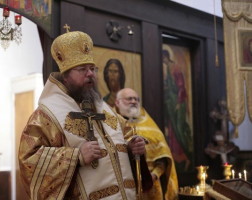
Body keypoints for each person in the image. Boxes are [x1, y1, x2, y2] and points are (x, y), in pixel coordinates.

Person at [18, 30, 147, 200]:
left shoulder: (102, 107)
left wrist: (132, 146)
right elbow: (29, 161)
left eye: (92, 69)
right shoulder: (46, 115)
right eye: (82, 69)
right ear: (65, 77)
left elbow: (125, 134)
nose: (90, 74)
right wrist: (75, 156)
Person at [115, 88, 179, 200]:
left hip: (151, 186)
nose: (134, 101)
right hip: (122, 185)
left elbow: (163, 158)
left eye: (136, 99)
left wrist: (154, 175)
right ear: (117, 102)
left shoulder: (150, 125)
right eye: (129, 99)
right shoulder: (111, 124)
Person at [163, 48, 193, 172]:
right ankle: (175, 157)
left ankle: (186, 156)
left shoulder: (175, 68)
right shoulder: (168, 68)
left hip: (178, 104)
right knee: (172, 130)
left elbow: (181, 87)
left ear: (165, 57)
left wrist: (179, 103)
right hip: (171, 104)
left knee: (179, 129)